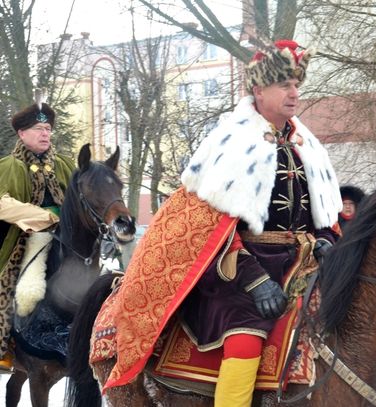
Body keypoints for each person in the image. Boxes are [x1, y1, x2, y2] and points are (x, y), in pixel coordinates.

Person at [96, 40, 342, 406]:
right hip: (236, 271)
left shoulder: (307, 144)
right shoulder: (231, 143)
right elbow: (208, 229)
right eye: (284, 85)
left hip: (302, 263)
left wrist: (326, 241)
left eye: (297, 84)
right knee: (246, 336)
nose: (294, 93)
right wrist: (257, 283)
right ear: (259, 90)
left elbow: (323, 212)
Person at [0, 98, 75, 372]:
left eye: (48, 128)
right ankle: (6, 343)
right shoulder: (9, 166)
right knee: (21, 287)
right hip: (25, 237)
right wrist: (47, 217)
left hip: (67, 238)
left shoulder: (65, 165)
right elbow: (1, 203)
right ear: (22, 133)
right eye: (38, 128)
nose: (45, 133)